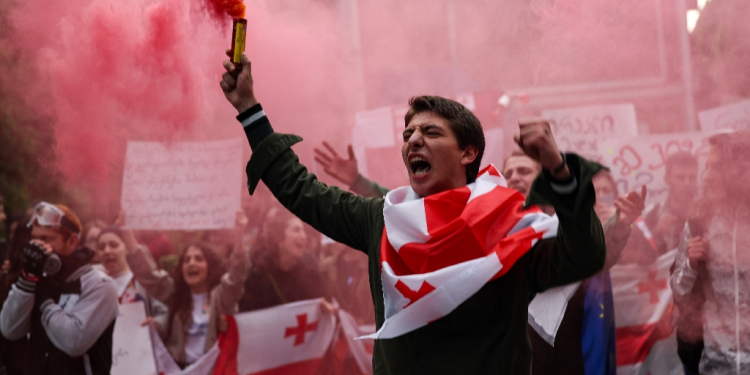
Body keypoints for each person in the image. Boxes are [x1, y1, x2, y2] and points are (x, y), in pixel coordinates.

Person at [220, 53, 607, 374]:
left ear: (468, 153)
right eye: (408, 135)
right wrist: (249, 109)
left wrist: (559, 170)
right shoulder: (383, 219)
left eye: (432, 133)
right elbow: (303, 192)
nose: (414, 140)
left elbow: (585, 256)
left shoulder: (509, 227)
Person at [0, 202, 118, 375]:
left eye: (46, 239)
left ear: (72, 242)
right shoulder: (37, 278)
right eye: (35, 239)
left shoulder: (100, 284)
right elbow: (10, 329)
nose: (38, 246)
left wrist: (45, 298)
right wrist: (26, 281)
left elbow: (73, 342)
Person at [670, 131, 750, 375]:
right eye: (706, 167)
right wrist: (692, 265)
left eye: (716, 167)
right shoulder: (699, 223)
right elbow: (678, 290)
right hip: (715, 365)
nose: (706, 177)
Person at [126, 212, 248, 368]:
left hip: (212, 369)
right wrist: (126, 230)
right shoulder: (175, 293)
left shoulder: (221, 296)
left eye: (199, 259)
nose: (191, 263)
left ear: (211, 266)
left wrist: (240, 233)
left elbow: (238, 274)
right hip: (178, 369)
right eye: (187, 260)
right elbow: (147, 274)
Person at [238, 206, 327, 312]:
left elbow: (322, 299)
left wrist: (325, 307)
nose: (304, 236)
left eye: (303, 230)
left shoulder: (310, 265)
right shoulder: (257, 272)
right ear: (278, 238)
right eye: (296, 230)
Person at [95, 226, 168, 326]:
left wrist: (157, 324)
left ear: (126, 247)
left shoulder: (143, 281)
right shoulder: (93, 286)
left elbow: (165, 312)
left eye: (114, 245)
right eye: (101, 247)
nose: (107, 251)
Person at [643, 151, 698, 256]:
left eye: (692, 177)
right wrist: (657, 233)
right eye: (680, 177)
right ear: (667, 180)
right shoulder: (652, 214)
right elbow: (638, 257)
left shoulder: (707, 212)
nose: (687, 183)